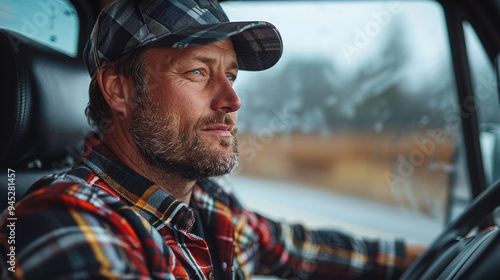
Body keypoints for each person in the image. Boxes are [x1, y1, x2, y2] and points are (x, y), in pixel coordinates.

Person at [0, 0, 424, 279]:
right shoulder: (62, 220)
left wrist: (438, 252)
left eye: (232, 75)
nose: (232, 100)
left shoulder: (207, 204)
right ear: (119, 90)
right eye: (198, 72)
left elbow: (303, 248)